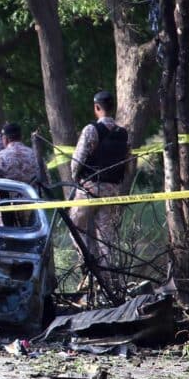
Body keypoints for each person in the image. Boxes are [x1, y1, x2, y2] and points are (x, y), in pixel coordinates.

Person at [69, 90, 130, 291]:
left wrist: (76, 177)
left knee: (75, 225)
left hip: (89, 190)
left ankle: (89, 265)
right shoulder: (123, 133)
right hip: (112, 192)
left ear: (97, 108)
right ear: (112, 107)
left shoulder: (91, 130)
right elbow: (127, 164)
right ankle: (108, 282)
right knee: (107, 238)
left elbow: (77, 161)